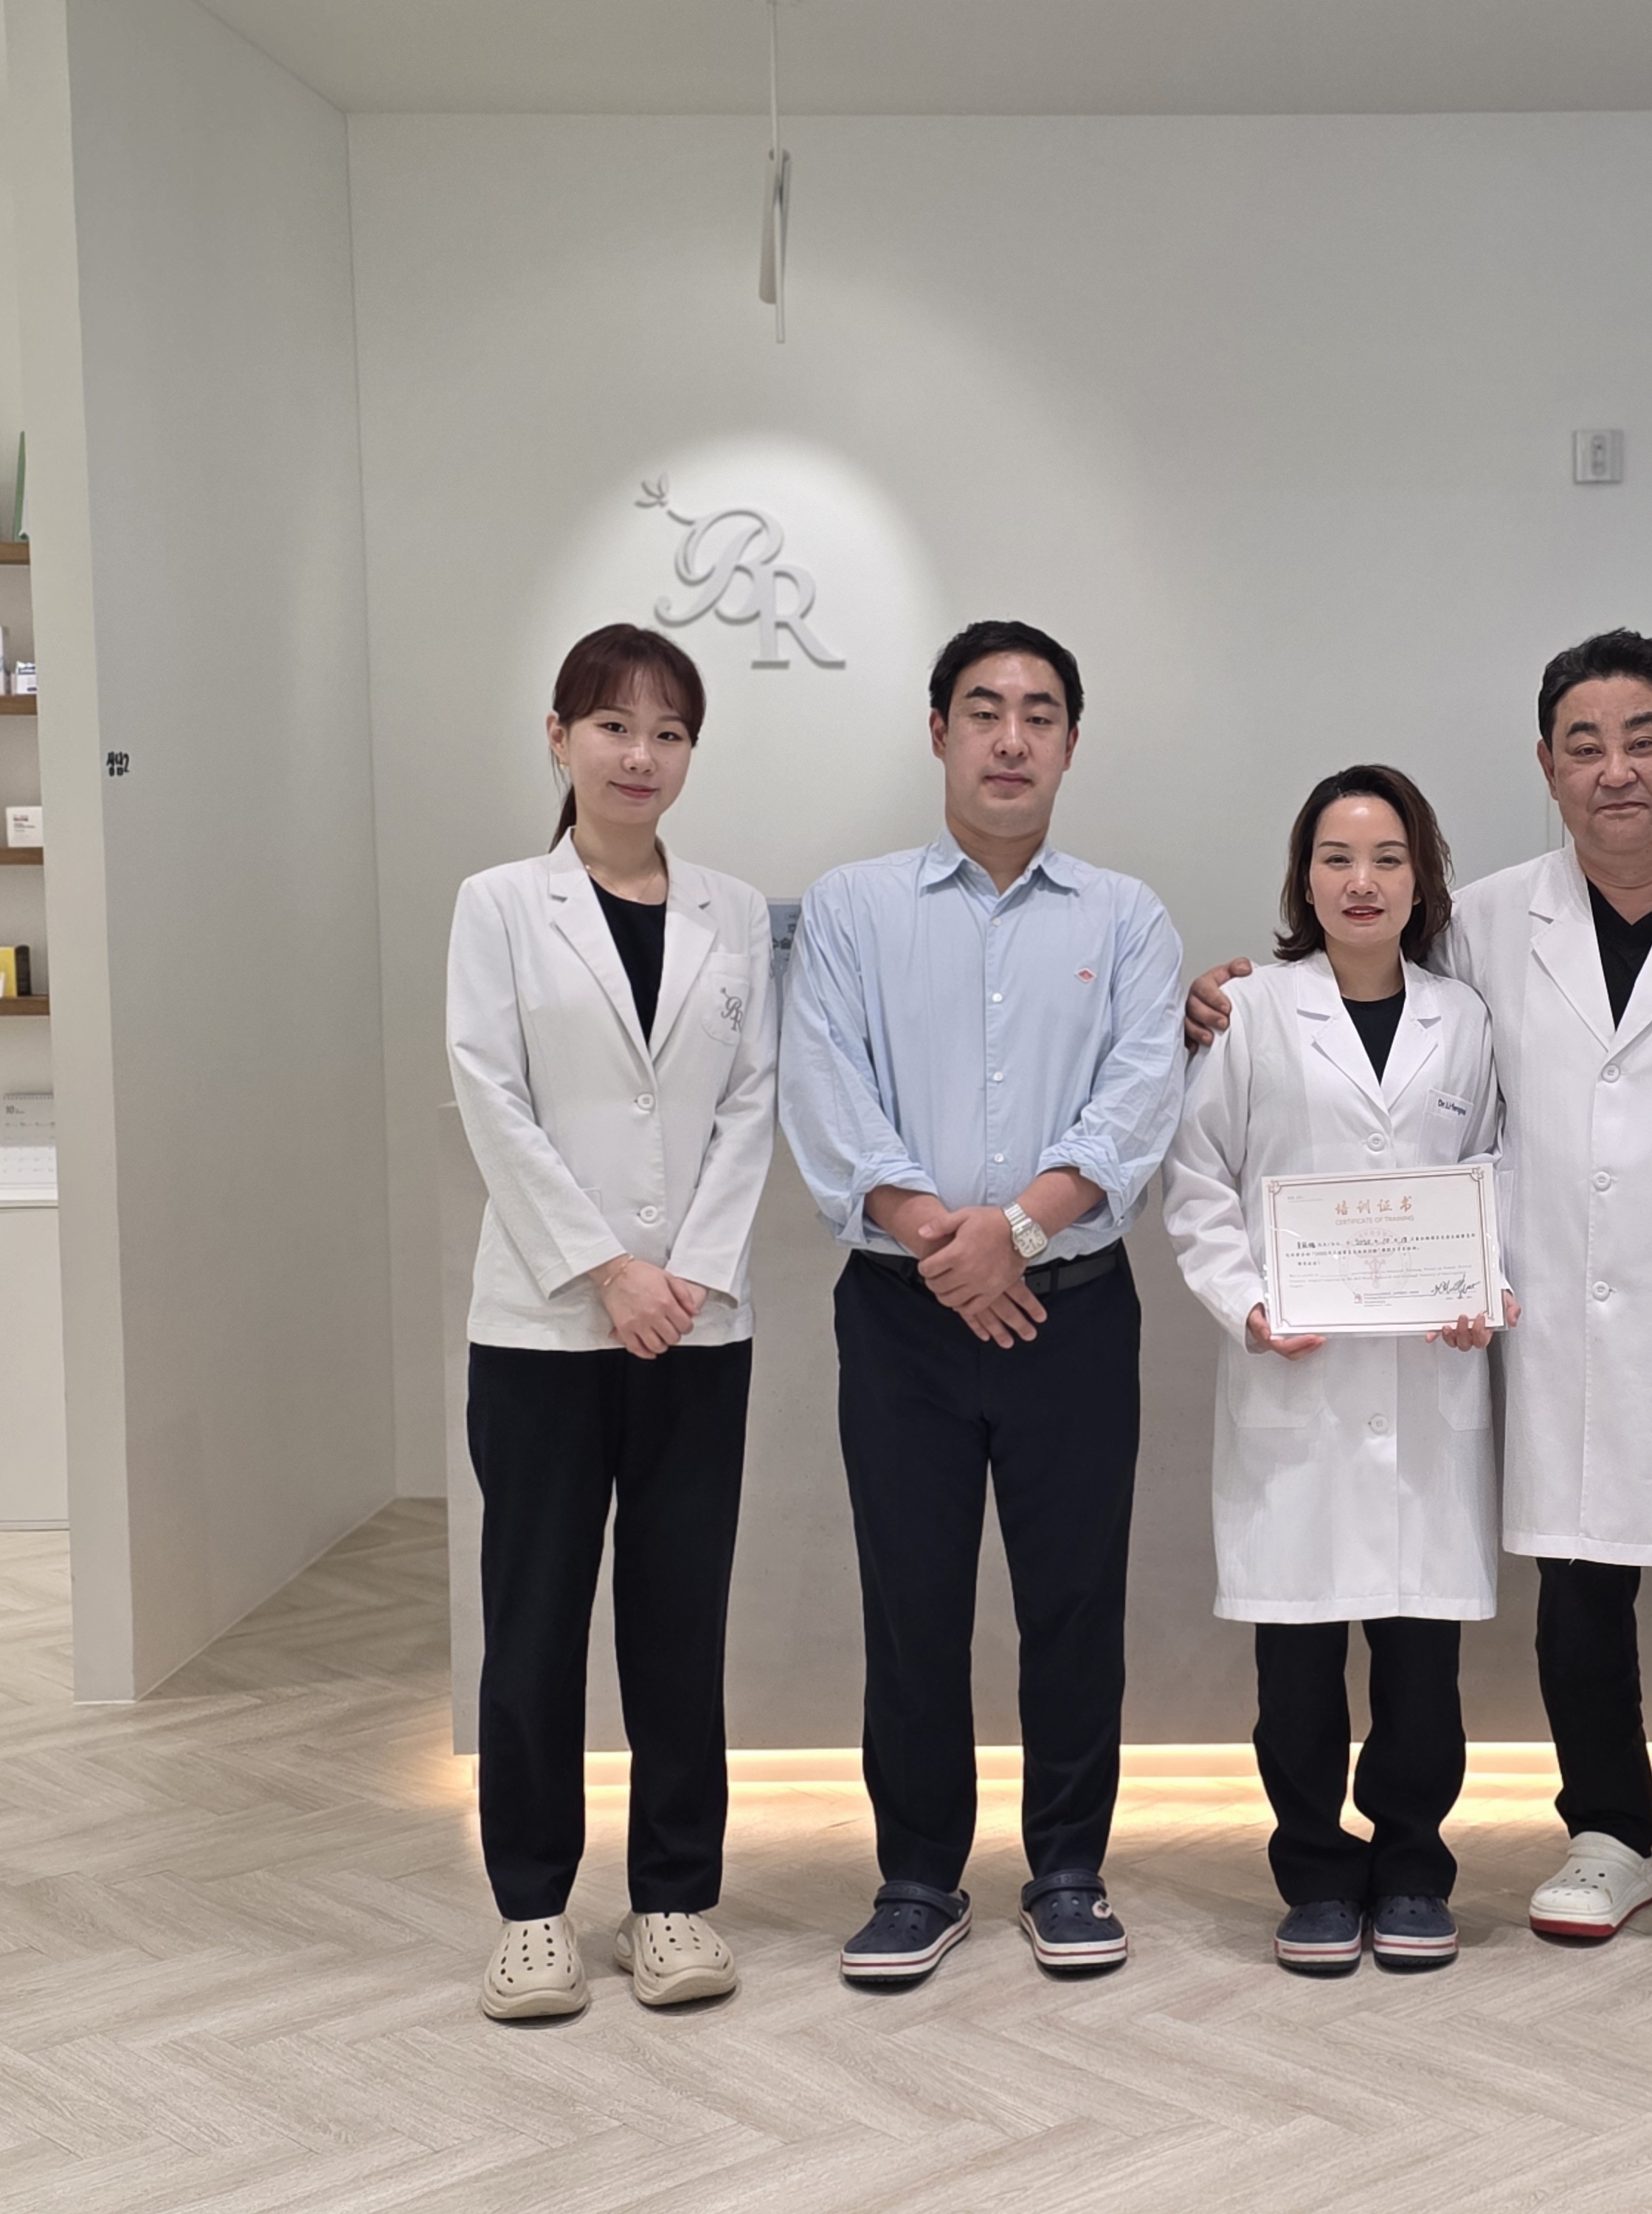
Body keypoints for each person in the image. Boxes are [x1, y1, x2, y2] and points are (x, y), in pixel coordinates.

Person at [1189, 630, 1652, 1953]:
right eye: (1586, 746)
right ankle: (1608, 1835)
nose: (1616, 770)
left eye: (1643, 740)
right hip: (1556, 1301)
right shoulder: (1488, 922)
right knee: (1580, 1583)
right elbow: (1369, 1015)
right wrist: (1226, 1002)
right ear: (1547, 766)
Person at [781, 619, 1183, 1986]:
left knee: (1075, 1599)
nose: (1012, 739)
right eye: (984, 710)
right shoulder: (853, 908)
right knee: (912, 1602)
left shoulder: (1126, 917)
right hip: (903, 1315)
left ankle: (1068, 1871)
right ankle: (916, 1877)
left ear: (1071, 742)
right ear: (939, 731)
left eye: (1040, 714)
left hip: (1076, 1308)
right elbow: (827, 1088)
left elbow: (1139, 1096)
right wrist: (937, 1238)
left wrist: (1013, 1233)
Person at [446, 623, 779, 2021]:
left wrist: (684, 1271)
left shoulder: (733, 913)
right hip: (543, 1328)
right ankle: (532, 1911)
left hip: (698, 1329)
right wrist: (607, 1270)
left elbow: (753, 1101)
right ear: (559, 738)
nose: (641, 757)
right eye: (613, 727)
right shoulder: (499, 905)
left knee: (678, 1621)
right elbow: (489, 1094)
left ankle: (673, 1900)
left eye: (669, 733)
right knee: (532, 1623)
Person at [1161, 766, 1513, 1977]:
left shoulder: (1464, 1020)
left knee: (1422, 1664)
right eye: (1337, 858)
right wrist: (1248, 1305)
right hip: (1296, 1381)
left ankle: (1412, 1867)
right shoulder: (1252, 1013)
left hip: (1427, 1378)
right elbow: (1197, 1179)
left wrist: (1481, 1283)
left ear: (1423, 881)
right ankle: (1313, 1872)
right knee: (1298, 1661)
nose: (1363, 882)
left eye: (1388, 859)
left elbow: (1495, 1171)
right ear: (1303, 881)